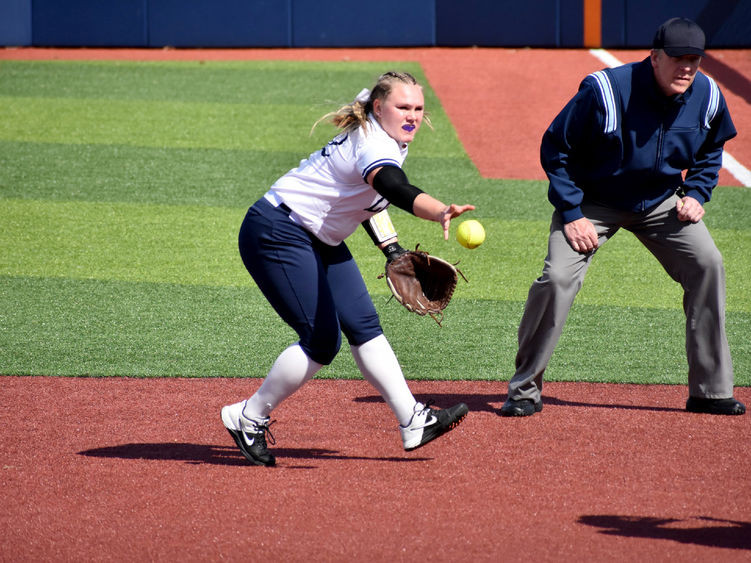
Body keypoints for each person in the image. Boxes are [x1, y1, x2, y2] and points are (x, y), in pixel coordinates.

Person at [222, 71, 475, 466]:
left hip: (320, 237)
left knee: (362, 323)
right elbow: (391, 186)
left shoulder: (380, 123)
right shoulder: (375, 145)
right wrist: (439, 210)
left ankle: (412, 420)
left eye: (418, 108)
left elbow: (368, 201)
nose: (411, 116)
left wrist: (391, 249)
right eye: (402, 107)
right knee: (322, 341)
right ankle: (248, 416)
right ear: (379, 108)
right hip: (277, 232)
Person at [501, 17, 745, 417]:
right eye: (677, 58)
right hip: (592, 202)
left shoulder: (707, 94)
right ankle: (524, 390)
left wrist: (698, 192)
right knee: (558, 278)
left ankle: (710, 391)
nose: (686, 67)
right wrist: (572, 213)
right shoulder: (606, 91)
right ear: (654, 57)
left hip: (661, 201)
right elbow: (555, 149)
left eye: (694, 59)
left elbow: (711, 148)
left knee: (708, 263)